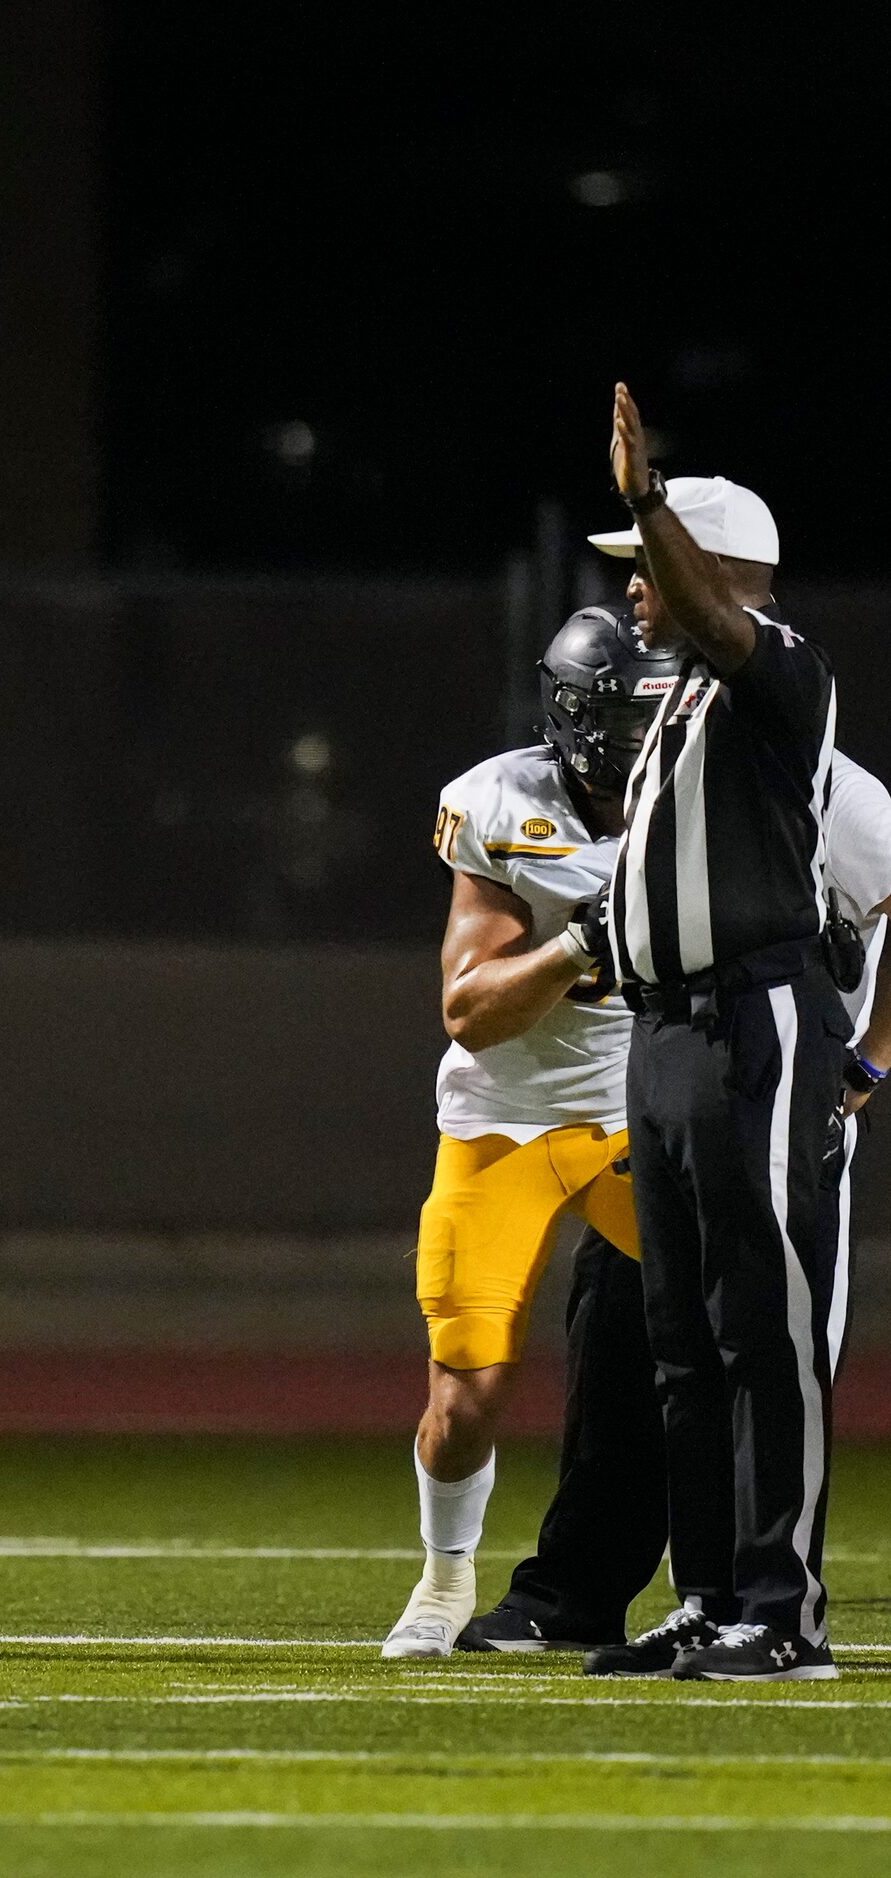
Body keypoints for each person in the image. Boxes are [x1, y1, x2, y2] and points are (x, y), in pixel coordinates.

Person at [462, 749, 891, 1653]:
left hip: (775, 1094)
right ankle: (616, 1591)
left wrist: (865, 1065)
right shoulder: (682, 767)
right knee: (644, 1349)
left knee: (764, 1352)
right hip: (669, 1088)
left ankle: (770, 1608)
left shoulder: (834, 794)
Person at [578, 384, 843, 1681]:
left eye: (647, 565)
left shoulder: (770, 670)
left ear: (719, 570)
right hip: (662, 1031)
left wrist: (645, 498)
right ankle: (702, 1592)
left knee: (762, 1323)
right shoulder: (673, 698)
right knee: (674, 1335)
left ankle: (777, 1605)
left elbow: (718, 625)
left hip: (754, 1015)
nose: (629, 588)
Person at [377, 606, 674, 1659]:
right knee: (464, 1386)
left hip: (637, 1114)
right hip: (503, 1117)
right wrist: (574, 951)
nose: (642, 737)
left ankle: (715, 1575)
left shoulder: (702, 794)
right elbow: (467, 1010)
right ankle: (444, 1575)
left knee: (714, 1348)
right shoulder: (500, 803)